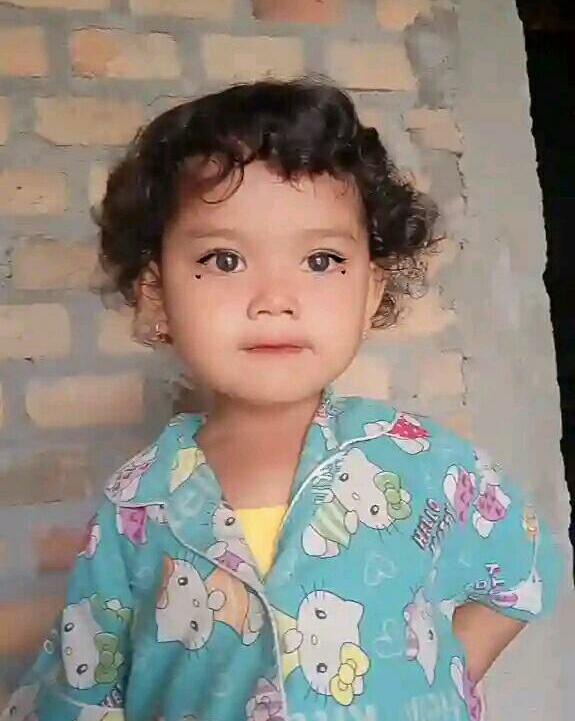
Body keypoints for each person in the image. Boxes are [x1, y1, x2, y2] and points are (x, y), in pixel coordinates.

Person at [1, 79, 563, 721]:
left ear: (371, 292)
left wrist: (443, 685)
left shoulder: (422, 460)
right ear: (157, 295)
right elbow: (83, 689)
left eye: (320, 260)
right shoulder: (136, 505)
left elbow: (522, 569)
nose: (275, 299)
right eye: (224, 260)